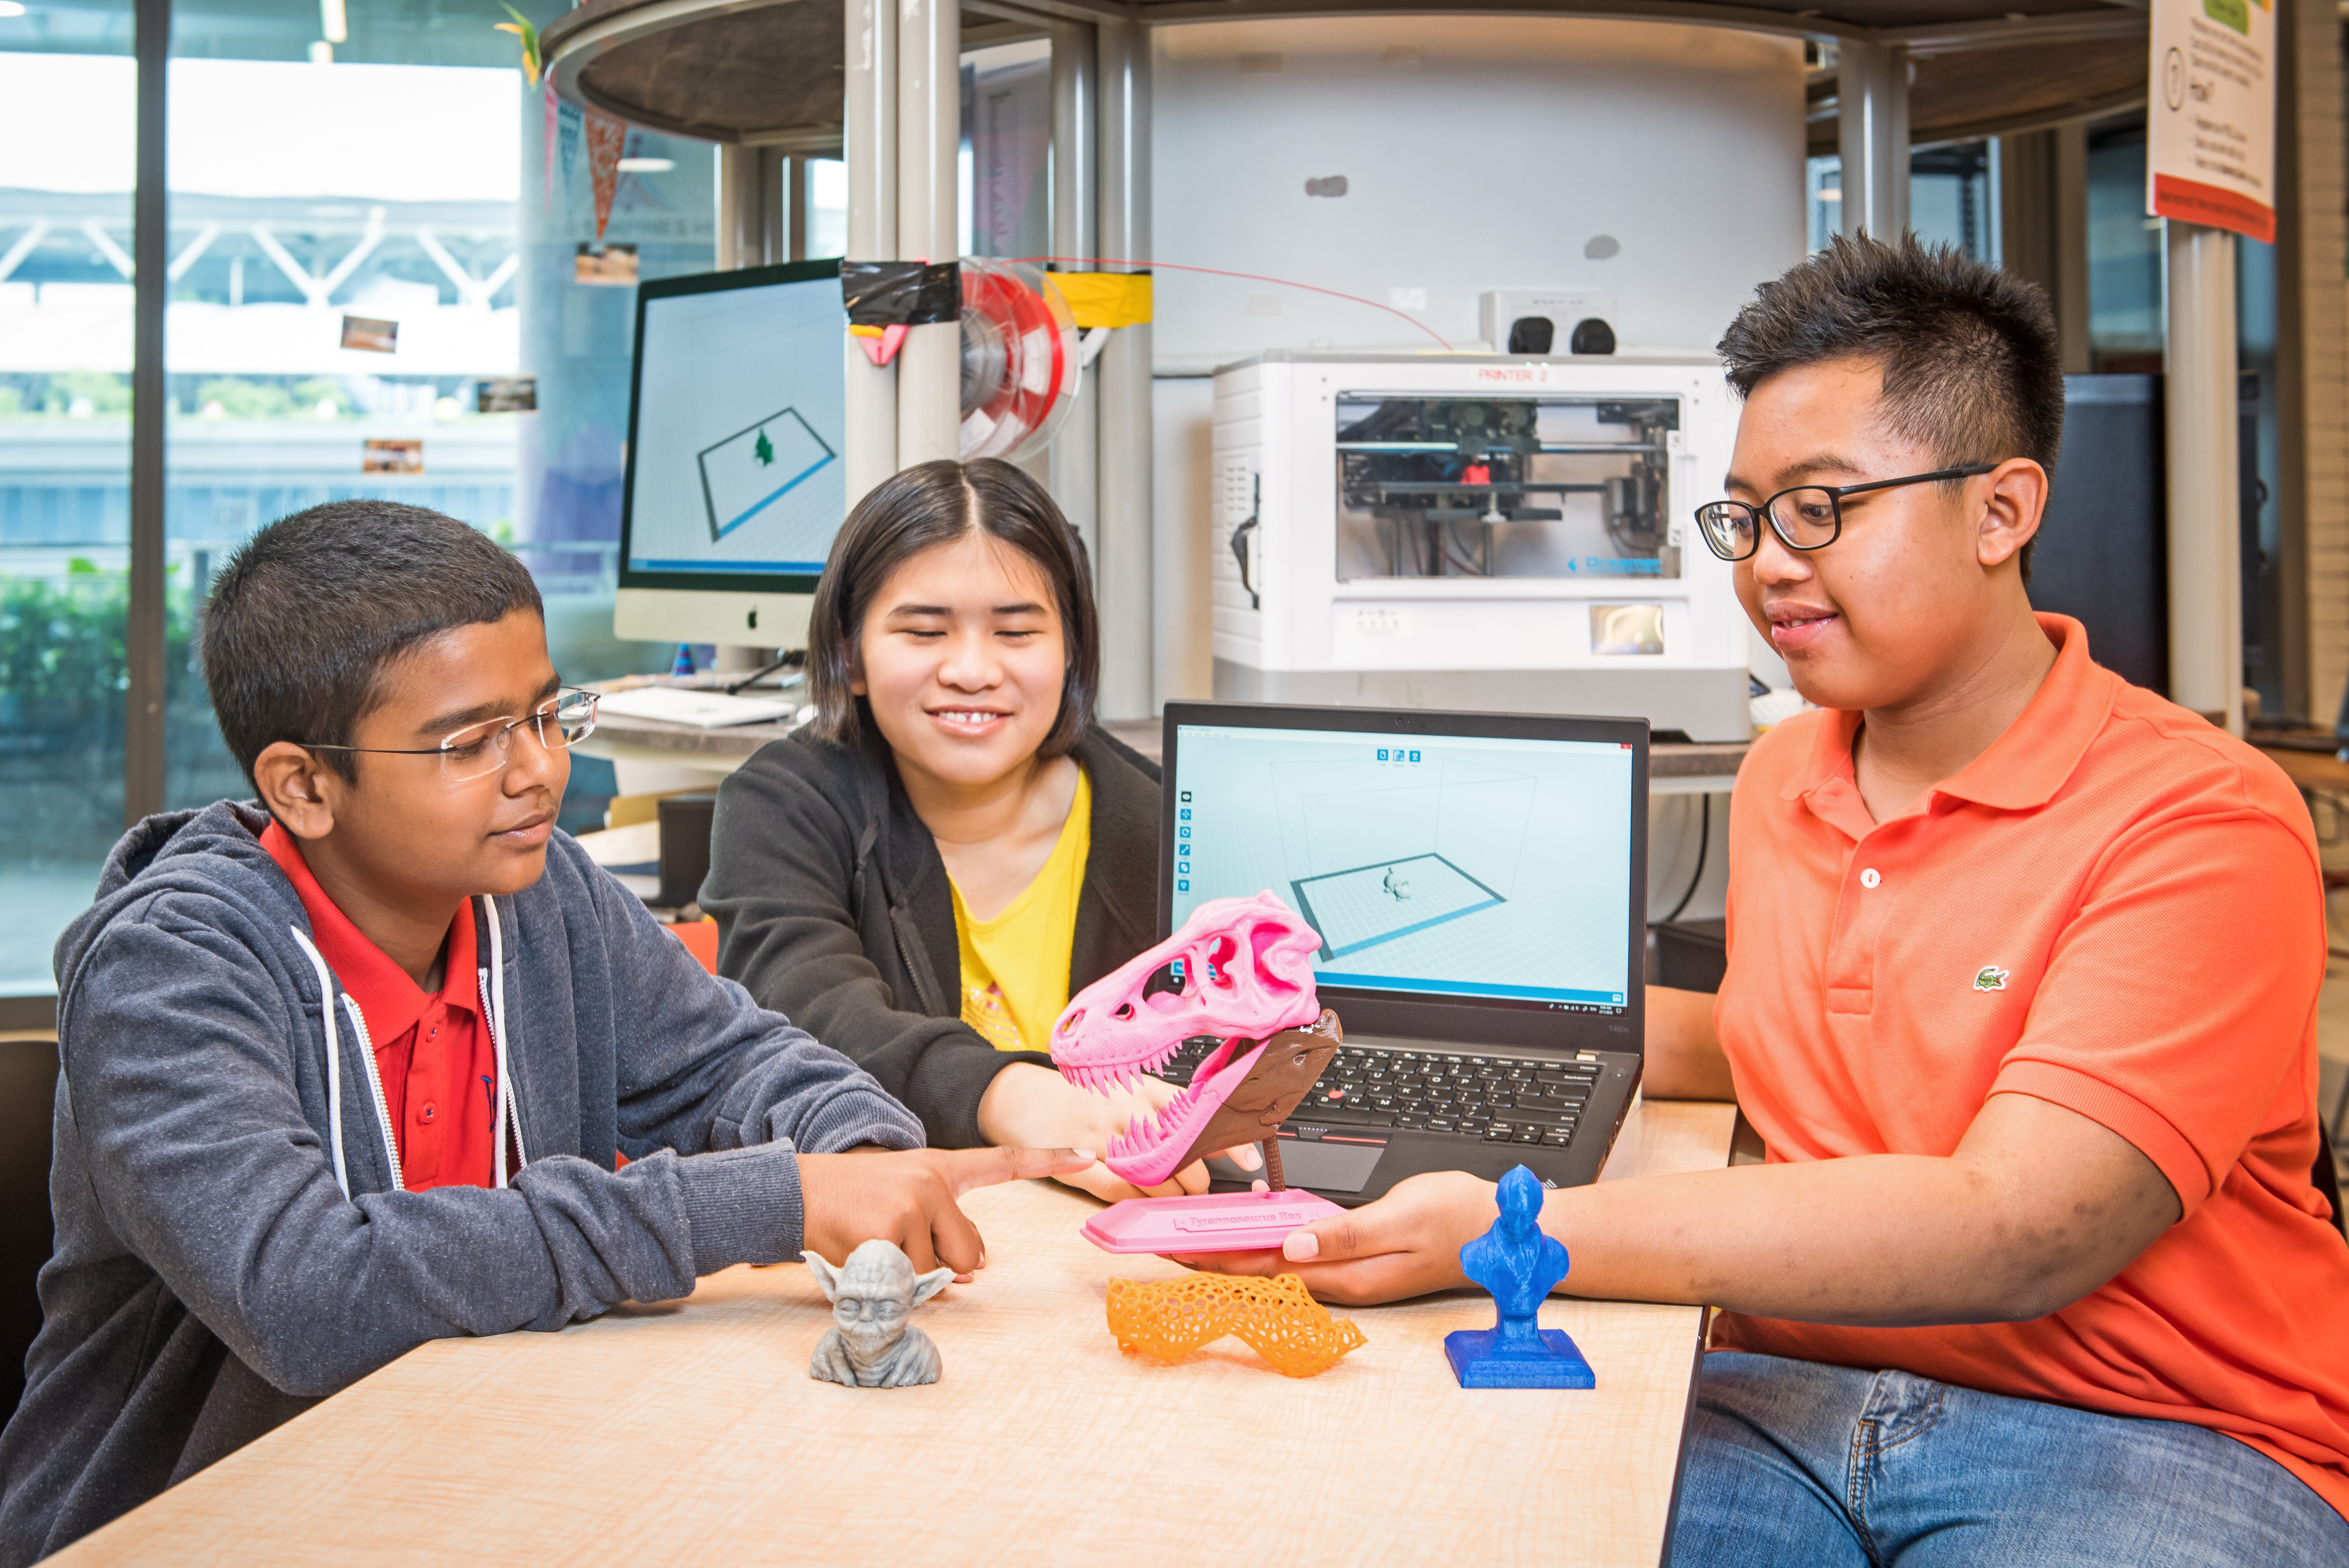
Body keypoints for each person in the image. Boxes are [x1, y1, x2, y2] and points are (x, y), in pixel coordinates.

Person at [1188, 236, 2349, 1563]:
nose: (1766, 567)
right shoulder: (1786, 767)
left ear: (2000, 509)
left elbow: (2020, 1221)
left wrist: (1515, 1229)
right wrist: (1337, 1023)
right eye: (1744, 516)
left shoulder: (2200, 817)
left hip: (2156, 1433)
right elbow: (1776, 1026)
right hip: (1777, 1397)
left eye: (1821, 507)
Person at [0, 503, 1085, 1566]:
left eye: (545, 713)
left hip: (464, 1484)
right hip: (202, 1524)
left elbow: (736, 1061)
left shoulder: (535, 887)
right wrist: (777, 1197)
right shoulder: (171, 971)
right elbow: (305, 1296)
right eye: (471, 742)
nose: (538, 772)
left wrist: (851, 1151)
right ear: (306, 786)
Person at [704, 458, 1259, 1202]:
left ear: (1071, 650)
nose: (972, 670)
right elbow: (804, 1017)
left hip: (1128, 1254)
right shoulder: (783, 804)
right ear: (851, 653)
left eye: (1017, 631)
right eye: (925, 631)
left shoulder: (1166, 827)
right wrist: (1020, 1098)